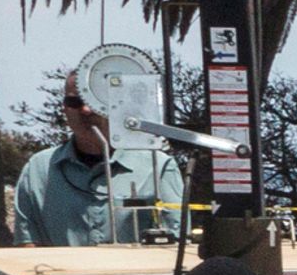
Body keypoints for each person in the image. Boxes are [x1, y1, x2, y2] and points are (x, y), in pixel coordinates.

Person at [10, 82, 183, 244]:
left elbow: (177, 243)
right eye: (75, 101)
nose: (86, 110)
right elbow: (28, 245)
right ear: (64, 108)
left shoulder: (159, 166)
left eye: (96, 100)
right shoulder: (38, 168)